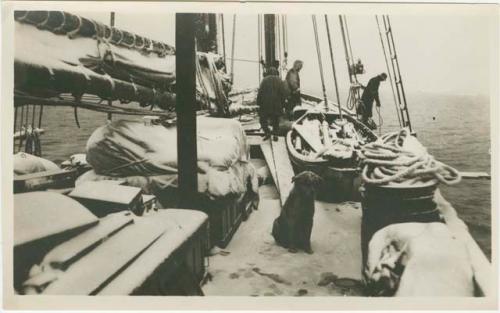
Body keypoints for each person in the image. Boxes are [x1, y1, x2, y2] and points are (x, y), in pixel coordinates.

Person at [257, 67, 286, 141]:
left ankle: (267, 132)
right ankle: (275, 134)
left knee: (263, 119)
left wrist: (259, 103)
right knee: (276, 120)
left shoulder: (264, 80)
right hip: (277, 105)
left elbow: (260, 93)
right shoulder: (280, 81)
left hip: (266, 105)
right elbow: (283, 94)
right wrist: (283, 105)